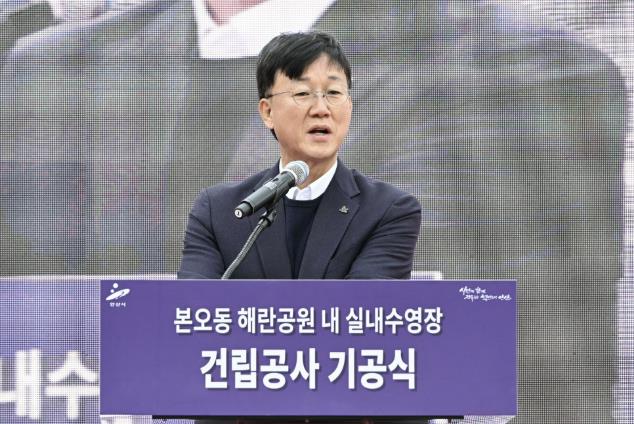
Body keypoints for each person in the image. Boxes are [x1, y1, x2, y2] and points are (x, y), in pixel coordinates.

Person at [177, 31, 422, 280]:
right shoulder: (219, 212)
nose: (321, 109)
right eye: (302, 93)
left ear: (349, 106)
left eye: (334, 93)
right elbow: (193, 300)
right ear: (268, 112)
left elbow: (363, 302)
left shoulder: (387, 210)